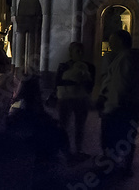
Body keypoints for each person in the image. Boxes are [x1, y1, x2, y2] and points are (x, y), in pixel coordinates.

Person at [96, 29, 139, 178]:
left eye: (113, 40)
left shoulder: (125, 58)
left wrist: (110, 106)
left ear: (120, 41)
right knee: (127, 138)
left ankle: (111, 169)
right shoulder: (128, 57)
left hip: (119, 108)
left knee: (111, 139)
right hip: (130, 107)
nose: (110, 43)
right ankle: (123, 168)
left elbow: (120, 86)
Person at [55, 41, 95, 157]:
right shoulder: (63, 66)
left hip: (81, 99)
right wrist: (76, 81)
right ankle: (63, 150)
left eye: (81, 51)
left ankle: (79, 150)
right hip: (65, 99)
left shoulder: (89, 67)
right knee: (63, 124)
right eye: (77, 51)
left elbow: (91, 84)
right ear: (71, 53)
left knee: (80, 126)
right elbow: (58, 82)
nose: (80, 53)